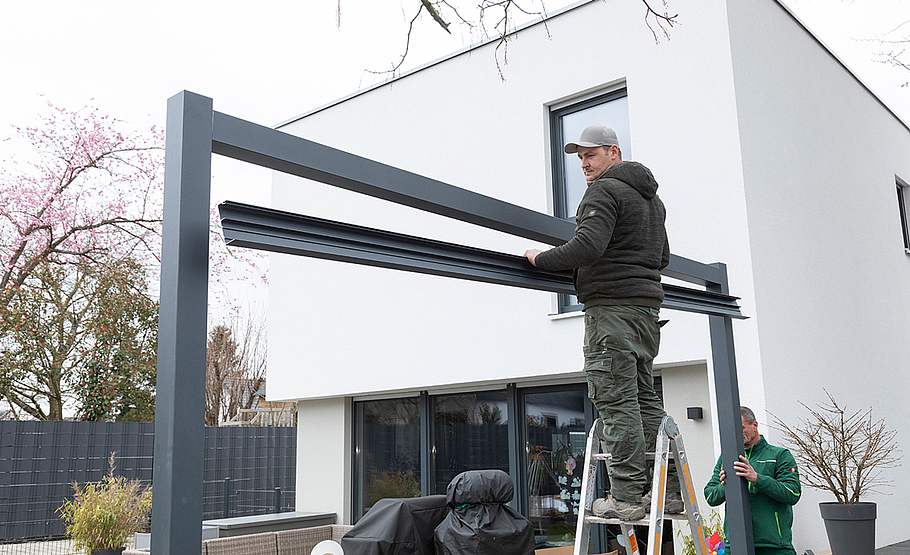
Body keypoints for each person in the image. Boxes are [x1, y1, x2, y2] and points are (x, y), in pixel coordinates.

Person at [524, 125, 674, 521]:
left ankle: (626, 497)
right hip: (646, 314)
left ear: (614, 152)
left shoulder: (604, 191)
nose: (584, 164)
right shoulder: (652, 201)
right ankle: (667, 488)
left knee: (616, 401)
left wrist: (541, 258)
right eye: (579, 158)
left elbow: (588, 246)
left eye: (591, 155)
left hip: (611, 312)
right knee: (645, 400)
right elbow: (662, 260)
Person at [704, 407, 802, 555]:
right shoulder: (727, 457)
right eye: (734, 429)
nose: (738, 433)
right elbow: (710, 496)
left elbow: (793, 493)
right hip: (735, 545)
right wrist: (726, 485)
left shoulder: (779, 455)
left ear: (754, 425)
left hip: (774, 547)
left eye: (742, 428)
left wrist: (757, 478)